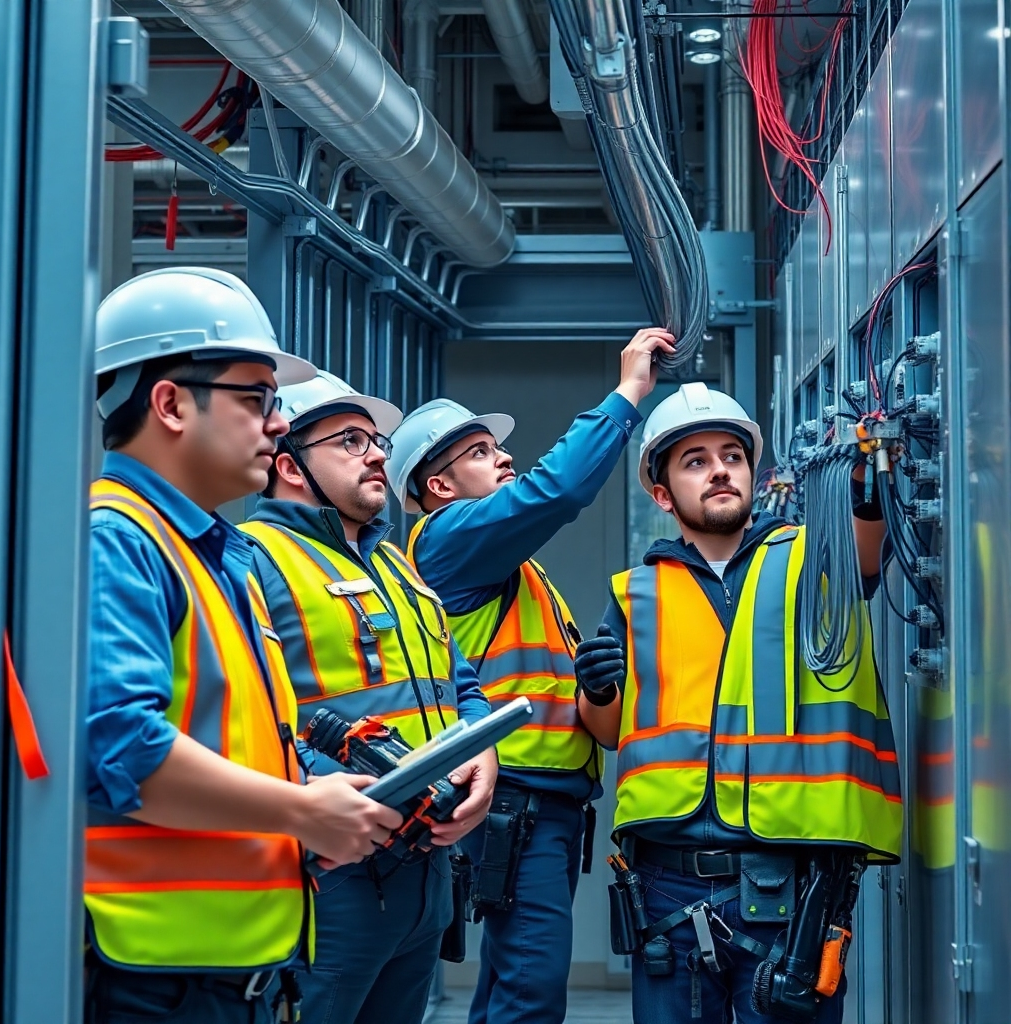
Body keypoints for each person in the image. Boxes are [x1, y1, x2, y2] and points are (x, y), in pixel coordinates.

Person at [86, 268, 404, 1024]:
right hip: (154, 975)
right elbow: (124, 748)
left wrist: (313, 821)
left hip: (234, 968)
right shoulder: (118, 540)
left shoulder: (215, 554)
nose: (276, 424)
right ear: (169, 402)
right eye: (256, 399)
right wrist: (300, 812)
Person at [573, 382, 904, 1024]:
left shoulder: (814, 560)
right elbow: (607, 733)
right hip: (667, 881)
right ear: (663, 493)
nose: (719, 469)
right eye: (695, 461)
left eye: (732, 455)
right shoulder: (636, 593)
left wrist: (866, 475)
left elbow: (869, 547)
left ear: (752, 471)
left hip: (794, 879)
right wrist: (598, 689)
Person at [386, 328, 676, 1024]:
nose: (504, 456)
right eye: (481, 453)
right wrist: (630, 392)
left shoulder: (514, 571)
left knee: (513, 982)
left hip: (537, 801)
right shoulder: (451, 540)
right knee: (533, 985)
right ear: (439, 486)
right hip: (512, 797)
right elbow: (558, 490)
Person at [240, 370, 497, 1024]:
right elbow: (248, 718)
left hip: (424, 876)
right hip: (336, 878)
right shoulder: (254, 561)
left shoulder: (394, 564)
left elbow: (458, 678)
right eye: (350, 441)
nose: (378, 454)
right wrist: (339, 788)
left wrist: (480, 758)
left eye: (375, 439)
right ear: (291, 465)